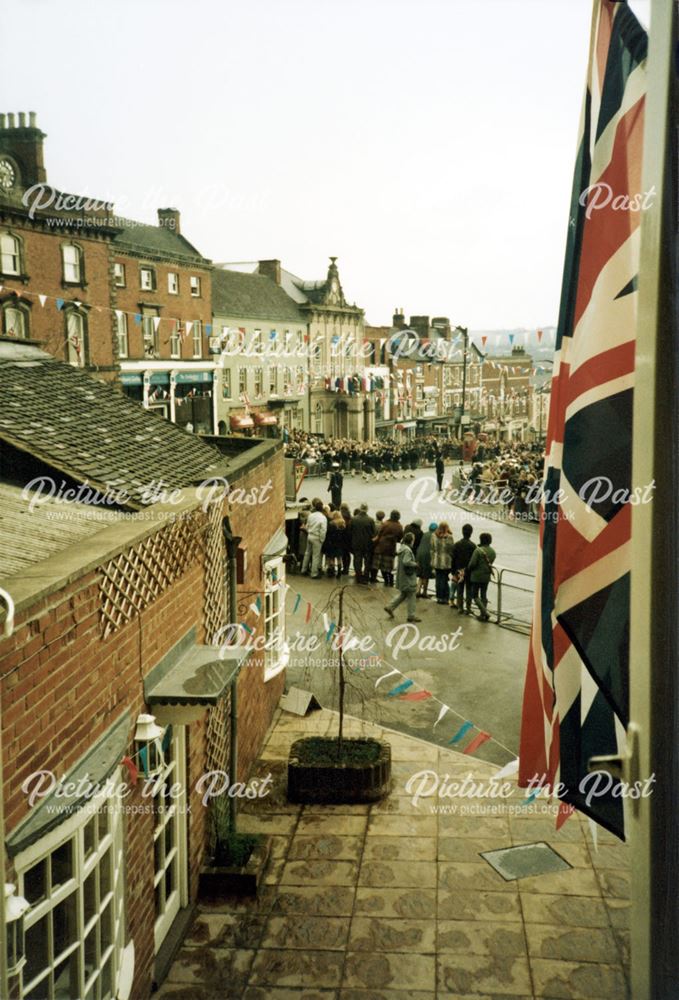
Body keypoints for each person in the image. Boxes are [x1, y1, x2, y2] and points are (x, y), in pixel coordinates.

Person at [384, 532, 421, 623]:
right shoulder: (408, 550)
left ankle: (390, 607)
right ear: (411, 541)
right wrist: (415, 564)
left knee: (403, 594)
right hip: (408, 577)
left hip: (402, 576)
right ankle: (411, 615)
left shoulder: (402, 548)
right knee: (412, 595)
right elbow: (406, 562)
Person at [467, 531, 497, 621]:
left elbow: (472, 564)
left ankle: (484, 612)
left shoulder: (478, 550)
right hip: (486, 576)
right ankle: (482, 614)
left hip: (476, 576)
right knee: (484, 594)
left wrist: (469, 569)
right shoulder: (493, 552)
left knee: (475, 595)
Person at [372, 509, 403, 587]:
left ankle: (383, 580)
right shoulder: (399, 526)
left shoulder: (385, 523)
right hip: (391, 549)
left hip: (380, 547)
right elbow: (400, 538)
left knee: (379, 566)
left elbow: (379, 534)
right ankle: (390, 582)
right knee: (388, 568)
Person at [451, 523, 476, 613]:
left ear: (462, 532)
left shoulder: (457, 544)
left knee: (460, 589)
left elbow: (453, 558)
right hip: (469, 571)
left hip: (459, 571)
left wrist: (453, 571)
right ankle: (468, 608)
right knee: (469, 590)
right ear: (471, 533)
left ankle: (460, 607)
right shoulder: (473, 546)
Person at [301, 498, 328, 578]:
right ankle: (314, 573)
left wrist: (309, 531)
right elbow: (323, 530)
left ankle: (304, 569)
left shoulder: (311, 515)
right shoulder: (323, 518)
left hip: (310, 535)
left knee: (307, 553)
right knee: (316, 555)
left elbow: (307, 526)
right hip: (317, 537)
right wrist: (322, 539)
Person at [350, 503, 376, 584]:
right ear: (367, 509)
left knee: (357, 560)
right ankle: (365, 577)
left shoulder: (354, 519)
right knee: (367, 561)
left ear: (360, 508)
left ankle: (358, 576)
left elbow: (350, 531)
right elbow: (374, 533)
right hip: (367, 544)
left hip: (356, 543)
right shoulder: (370, 520)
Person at [430, 521, 454, 604]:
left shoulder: (433, 536)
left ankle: (439, 597)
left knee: (438, 579)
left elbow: (432, 548)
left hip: (436, 561)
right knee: (444, 580)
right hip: (446, 562)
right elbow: (451, 550)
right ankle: (445, 598)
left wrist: (432, 560)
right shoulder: (449, 537)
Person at [416, 522, 436, 599]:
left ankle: (417, 591)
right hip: (428, 556)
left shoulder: (425, 534)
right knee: (426, 574)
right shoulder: (434, 536)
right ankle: (424, 592)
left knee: (421, 574)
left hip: (420, 554)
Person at [323, 510, 346, 577]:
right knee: (339, 558)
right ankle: (339, 571)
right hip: (340, 543)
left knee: (332, 558)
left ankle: (332, 571)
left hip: (332, 543)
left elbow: (328, 534)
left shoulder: (331, 524)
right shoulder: (343, 523)